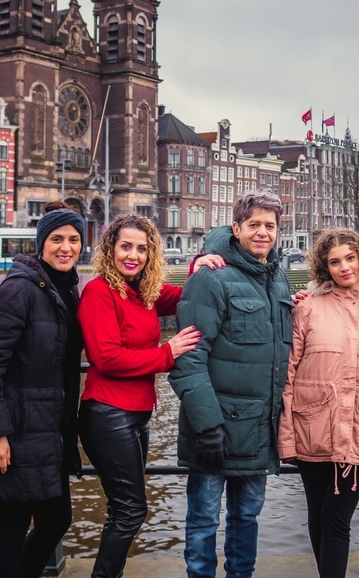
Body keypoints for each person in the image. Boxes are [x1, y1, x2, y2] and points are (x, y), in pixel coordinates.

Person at [77, 214, 222, 578]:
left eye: (142, 249)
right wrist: (168, 352)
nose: (134, 255)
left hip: (135, 414)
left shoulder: (141, 291)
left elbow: (180, 296)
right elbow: (105, 357)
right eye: (126, 247)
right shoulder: (99, 292)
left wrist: (198, 267)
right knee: (131, 510)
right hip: (108, 413)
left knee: (122, 509)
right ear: (110, 249)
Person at [167, 191, 293, 578]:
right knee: (204, 519)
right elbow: (188, 358)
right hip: (216, 430)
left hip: (257, 428)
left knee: (247, 518)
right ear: (235, 228)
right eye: (253, 224)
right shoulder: (210, 278)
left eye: (269, 226)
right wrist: (207, 425)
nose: (262, 232)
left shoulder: (280, 281)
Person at [278, 229, 359, 578]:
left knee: (337, 518)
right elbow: (289, 374)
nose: (344, 267)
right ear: (325, 267)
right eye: (334, 261)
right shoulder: (307, 307)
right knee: (317, 515)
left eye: (350, 258)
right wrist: (287, 436)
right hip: (313, 427)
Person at [0, 207, 87, 578]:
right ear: (41, 244)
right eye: (57, 239)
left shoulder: (64, 289)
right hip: (14, 432)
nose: (66, 248)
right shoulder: (16, 290)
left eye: (74, 240)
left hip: (48, 432)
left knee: (56, 520)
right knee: (9, 532)